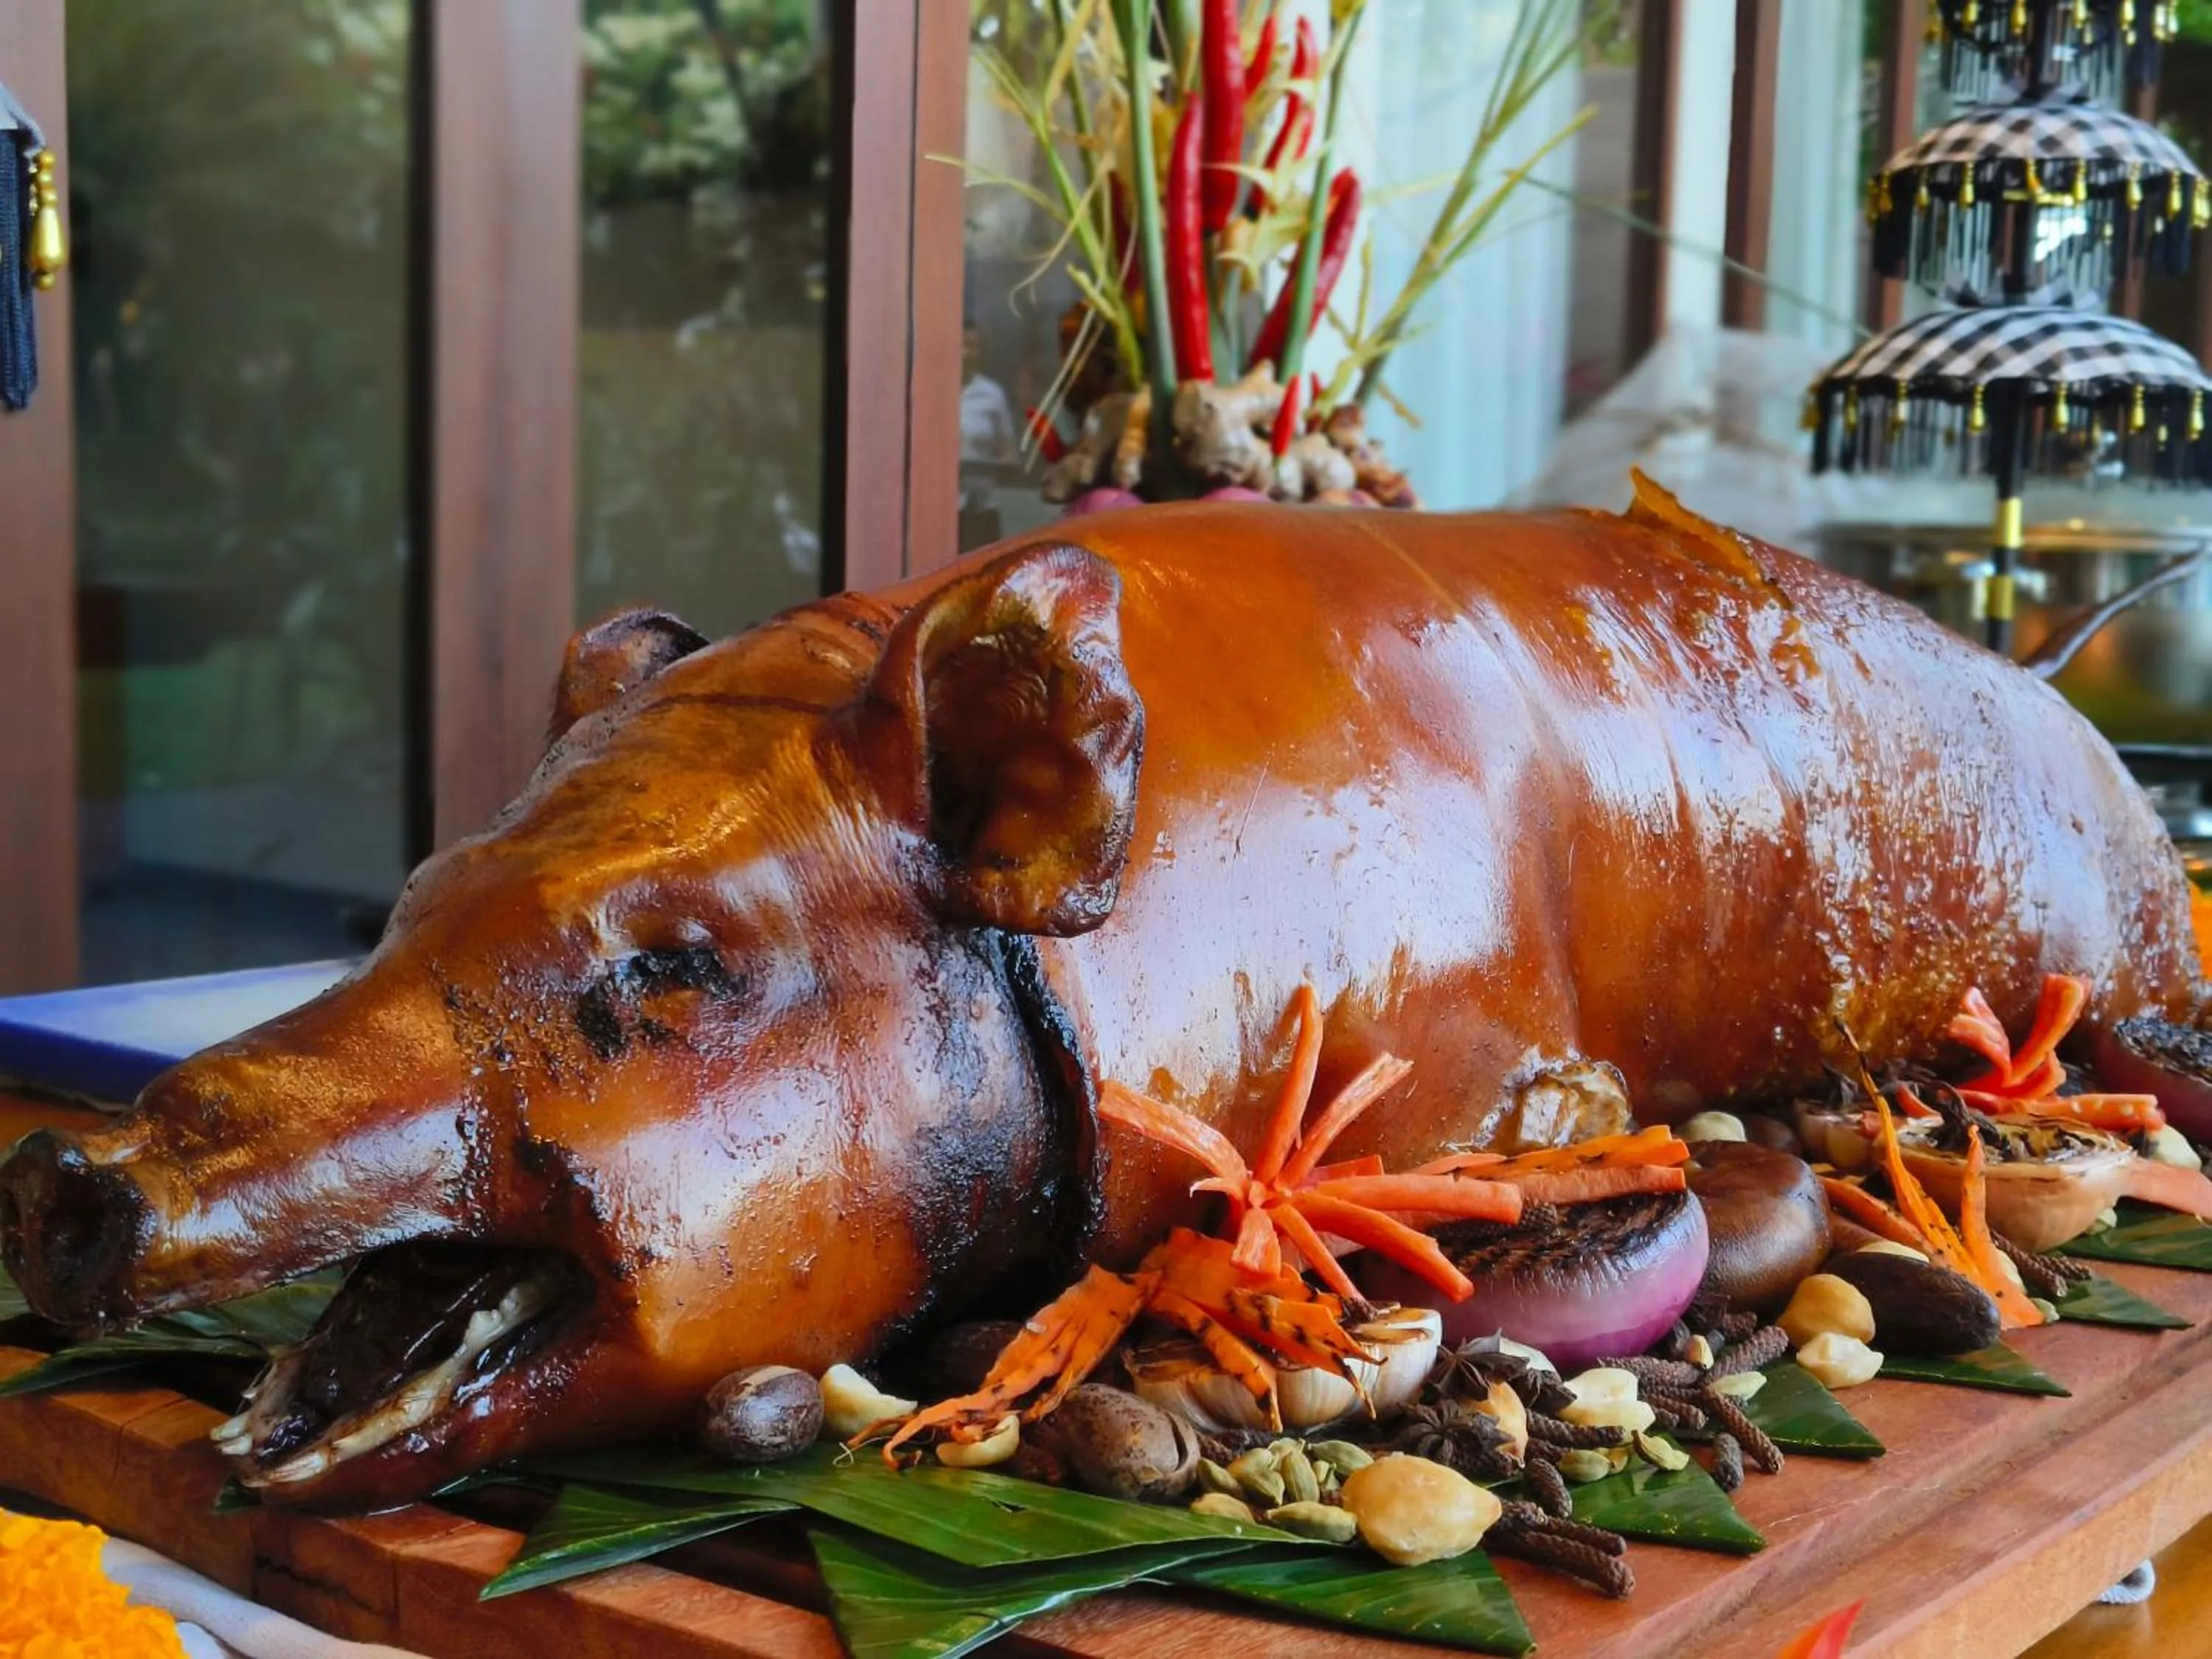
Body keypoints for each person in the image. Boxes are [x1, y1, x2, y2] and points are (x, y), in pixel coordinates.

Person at [959, 319, 1017, 545]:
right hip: (942, 507)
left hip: (982, 508)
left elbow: (1007, 451)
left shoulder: (992, 394)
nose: (965, 352)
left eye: (972, 345)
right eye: (960, 344)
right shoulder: (932, 389)